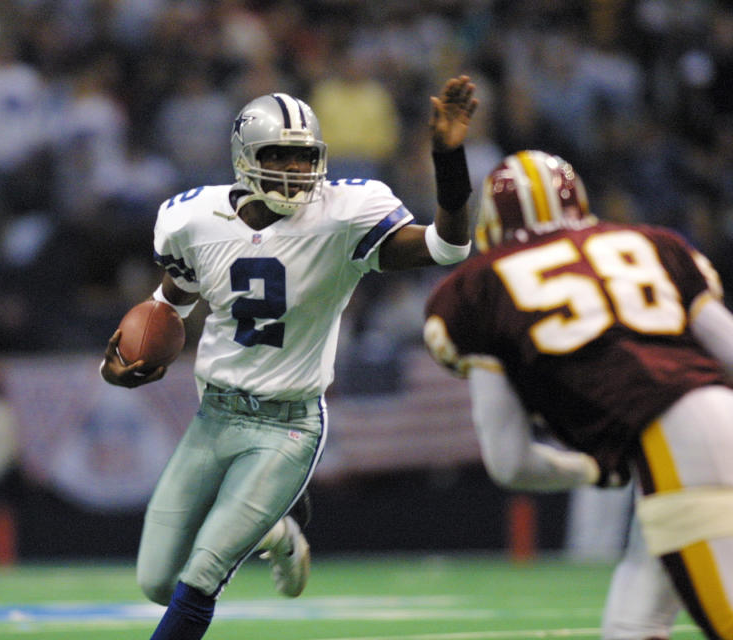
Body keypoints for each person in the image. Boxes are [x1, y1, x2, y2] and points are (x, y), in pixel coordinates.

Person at [100, 75, 478, 640]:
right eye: (279, 156)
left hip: (289, 425)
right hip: (215, 417)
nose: (296, 171)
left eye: (304, 159)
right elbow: (168, 304)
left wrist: (449, 161)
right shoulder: (193, 220)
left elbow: (449, 246)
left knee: (201, 574)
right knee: (157, 580)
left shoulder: (342, 215)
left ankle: (263, 523)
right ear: (244, 158)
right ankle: (278, 533)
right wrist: (129, 356)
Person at [423, 149, 733, 640]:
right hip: (710, 424)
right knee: (632, 627)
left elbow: (510, 462)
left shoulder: (475, 291)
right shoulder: (650, 242)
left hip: (676, 446)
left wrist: (589, 469)